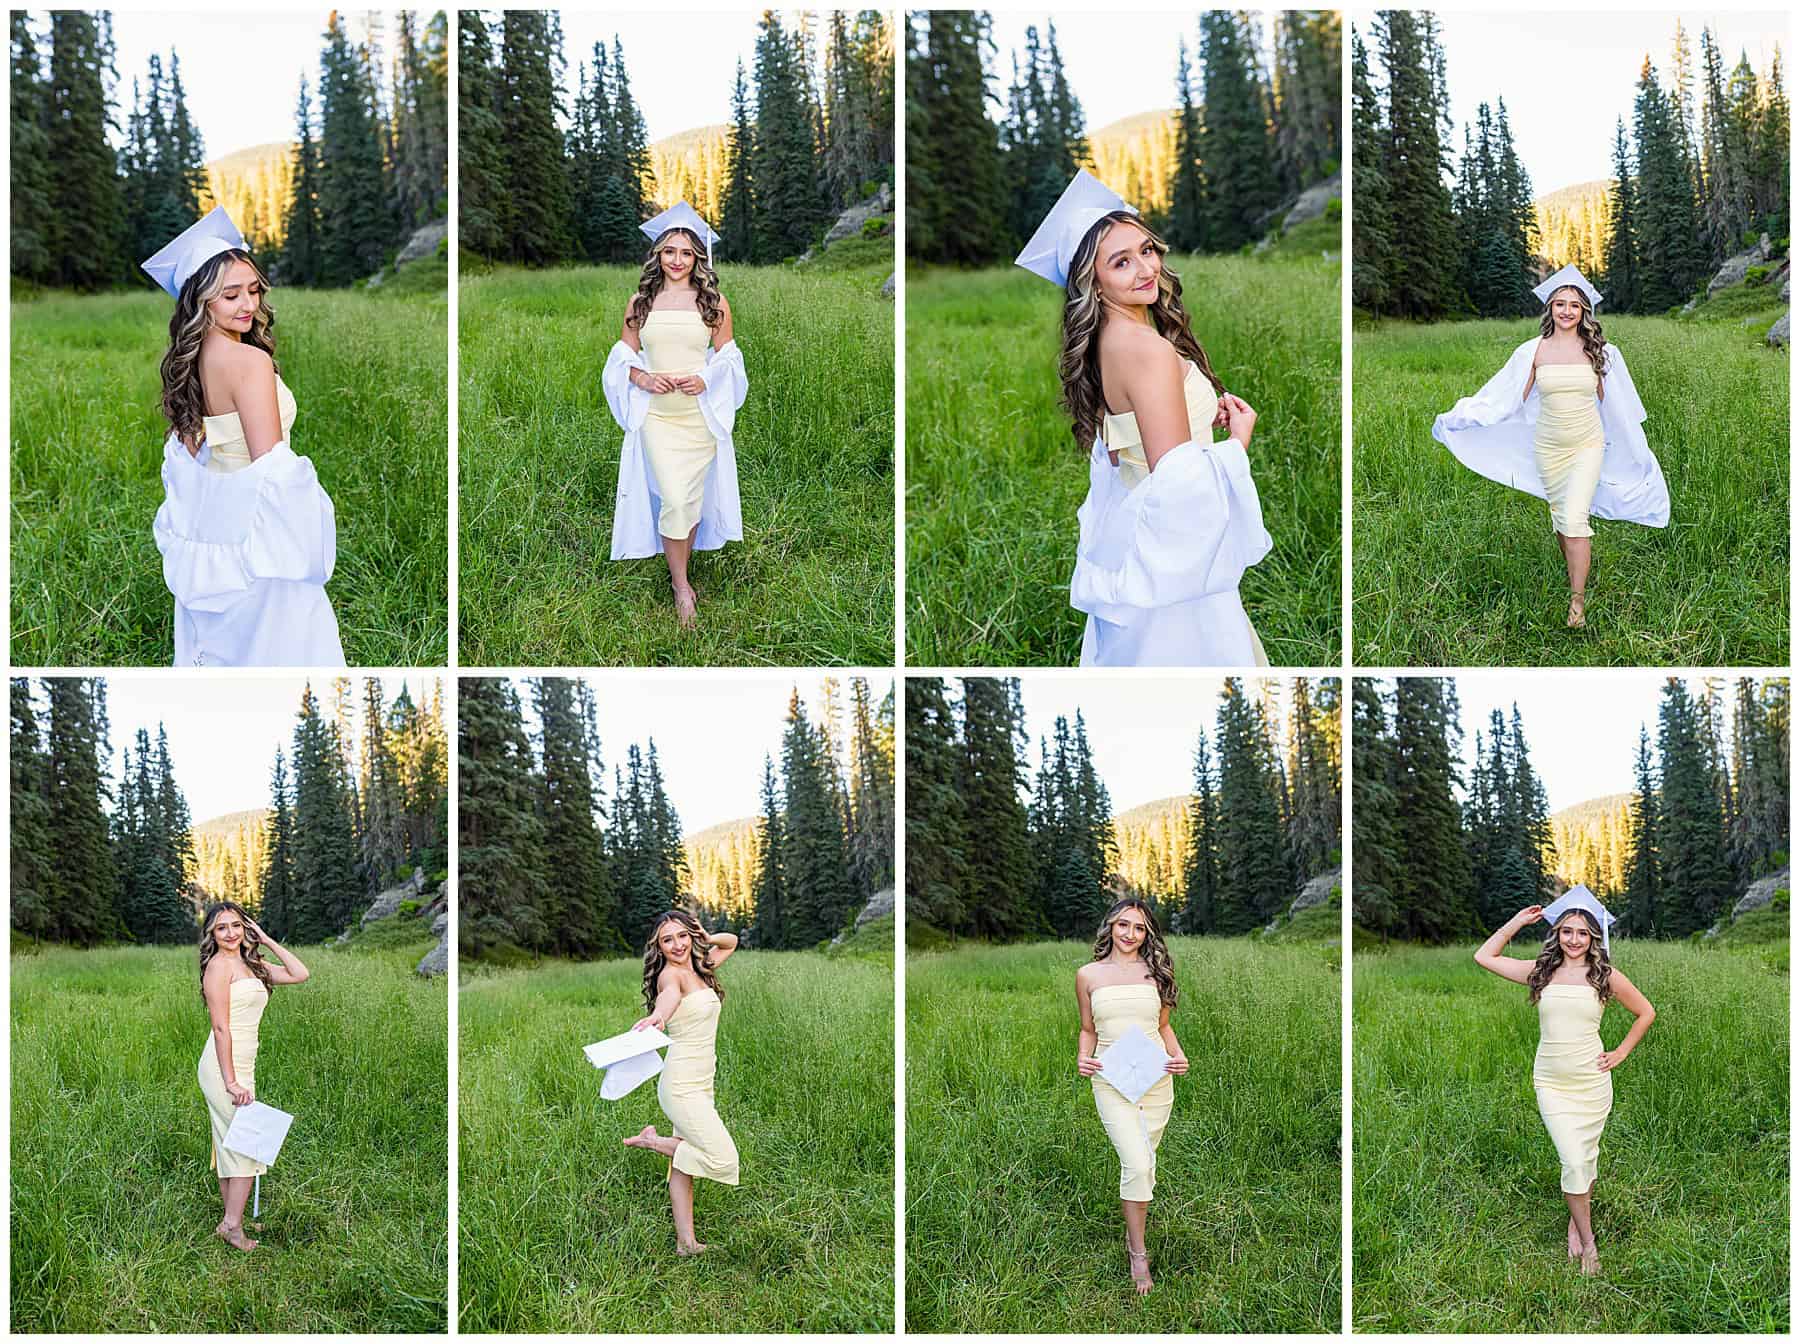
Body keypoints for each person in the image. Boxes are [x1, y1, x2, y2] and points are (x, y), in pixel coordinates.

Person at [1016, 170, 1271, 667]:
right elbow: (1177, 488)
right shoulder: (1147, 350)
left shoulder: (1103, 343)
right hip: (1171, 565)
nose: (1146, 268)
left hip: (1134, 539)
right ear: (1092, 281)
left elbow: (1120, 452)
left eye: (1147, 250)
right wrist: (1237, 444)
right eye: (1121, 262)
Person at [146, 206, 345, 666]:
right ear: (202, 302)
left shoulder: (191, 363)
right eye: (230, 295)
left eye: (253, 290)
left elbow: (194, 453)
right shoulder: (250, 363)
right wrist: (301, 548)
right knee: (284, 641)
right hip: (257, 532)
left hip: (217, 528)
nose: (249, 305)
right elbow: (271, 467)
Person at [1432, 265, 1669, 629]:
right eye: (1560, 304)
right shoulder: (1533, 351)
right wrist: (1464, 417)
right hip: (1549, 449)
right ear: (1550, 309)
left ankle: (1577, 603)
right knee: (1562, 518)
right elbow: (1506, 398)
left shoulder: (1601, 352)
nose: (1567, 311)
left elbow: (1616, 408)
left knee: (1575, 519)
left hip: (1587, 446)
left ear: (1584, 312)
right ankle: (1574, 568)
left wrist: (1632, 448)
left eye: (1575, 305)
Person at [1473, 886, 1656, 1275]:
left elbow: (1646, 1013)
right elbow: (1483, 956)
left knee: (1583, 1159)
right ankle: (1589, 1243)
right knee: (1573, 1159)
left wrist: (1620, 1053)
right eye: (1567, 931)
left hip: (1592, 1083)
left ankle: (1578, 1218)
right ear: (1557, 933)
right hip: (1552, 1083)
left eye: (1582, 932)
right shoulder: (1540, 971)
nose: (1574, 940)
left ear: (1594, 938)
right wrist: (1518, 922)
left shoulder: (1605, 976)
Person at [602, 202, 748, 630]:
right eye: (670, 252)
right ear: (657, 255)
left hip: (698, 416)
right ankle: (681, 584)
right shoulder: (640, 302)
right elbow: (621, 361)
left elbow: (729, 359)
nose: (678, 261)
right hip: (659, 418)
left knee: (691, 497)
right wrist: (643, 380)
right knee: (674, 496)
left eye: (686, 253)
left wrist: (705, 379)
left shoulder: (714, 302)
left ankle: (681, 568)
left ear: (698, 257)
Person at [1075, 897, 1189, 1294]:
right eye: (1124, 925)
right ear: (1111, 926)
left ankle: (1132, 1233)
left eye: (1139, 928)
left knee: (1145, 1167)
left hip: (1155, 1080)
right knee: (1138, 1165)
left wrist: (1178, 1055)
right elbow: (1088, 1029)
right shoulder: (1088, 975)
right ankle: (1139, 1256)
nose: (1130, 934)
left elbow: (1163, 1026)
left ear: (1148, 934)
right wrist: (1083, 1057)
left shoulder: (1157, 972)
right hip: (1110, 1079)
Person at [196, 900, 311, 1252]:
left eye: (236, 925)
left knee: (232, 1141)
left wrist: (265, 938)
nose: (230, 933)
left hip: (244, 1063)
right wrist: (231, 1080)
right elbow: (220, 1028)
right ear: (212, 935)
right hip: (222, 1066)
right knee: (246, 1144)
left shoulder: (252, 963)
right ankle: (233, 1227)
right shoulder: (218, 967)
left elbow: (299, 973)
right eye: (221, 928)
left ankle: (229, 1221)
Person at [622, 911, 741, 1253]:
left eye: (681, 936)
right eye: (667, 940)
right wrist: (657, 1018)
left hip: (703, 1082)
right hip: (681, 1084)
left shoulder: (701, 967)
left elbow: (730, 942)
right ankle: (652, 1142)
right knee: (723, 1159)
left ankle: (685, 1243)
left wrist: (704, 934)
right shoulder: (670, 976)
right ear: (658, 948)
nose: (677, 945)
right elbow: (667, 1001)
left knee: (682, 1166)